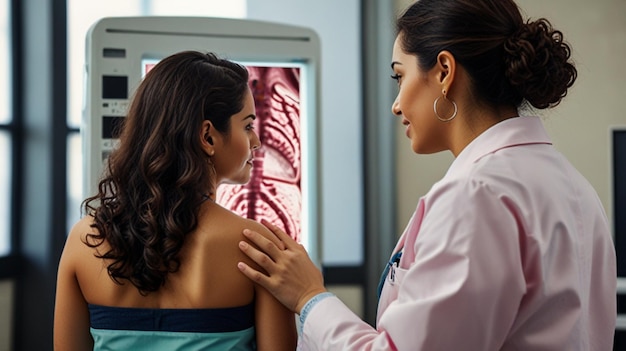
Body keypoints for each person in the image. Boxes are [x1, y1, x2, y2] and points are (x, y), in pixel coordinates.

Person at [235, 0, 618, 349]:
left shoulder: (478, 196)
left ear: (445, 71)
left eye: (399, 76)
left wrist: (309, 298)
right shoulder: (574, 186)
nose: (396, 105)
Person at [54, 51, 297, 351]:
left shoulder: (84, 240)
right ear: (207, 136)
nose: (256, 141)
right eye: (247, 126)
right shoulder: (260, 250)